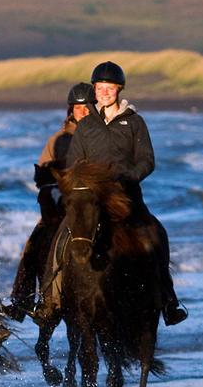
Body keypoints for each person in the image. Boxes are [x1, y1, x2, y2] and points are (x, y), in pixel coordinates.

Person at [41, 61, 187, 326]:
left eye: (109, 87)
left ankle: (168, 299)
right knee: (63, 236)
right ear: (95, 90)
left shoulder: (134, 123)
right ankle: (50, 299)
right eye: (100, 87)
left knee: (155, 236)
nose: (104, 92)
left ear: (118, 89)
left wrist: (128, 177)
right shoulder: (86, 126)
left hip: (127, 197)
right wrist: (81, 182)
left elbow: (147, 160)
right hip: (92, 199)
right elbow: (75, 162)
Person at [3, 82, 94, 320]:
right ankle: (24, 301)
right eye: (78, 108)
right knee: (32, 246)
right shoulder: (57, 140)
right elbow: (43, 179)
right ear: (70, 110)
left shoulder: (101, 138)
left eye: (88, 107)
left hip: (94, 206)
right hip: (63, 209)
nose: (83, 112)